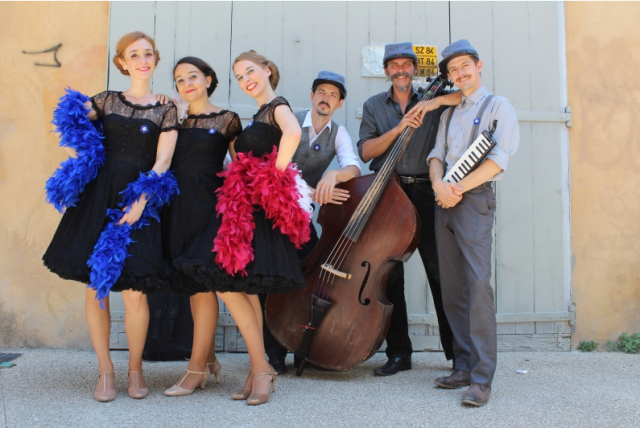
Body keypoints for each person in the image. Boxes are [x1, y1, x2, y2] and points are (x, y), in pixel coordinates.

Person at [42, 31, 179, 402]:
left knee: (135, 294)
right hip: (98, 198)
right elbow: (71, 118)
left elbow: (163, 160)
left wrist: (142, 199)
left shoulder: (167, 108)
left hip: (139, 201)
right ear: (122, 62)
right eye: (133, 54)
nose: (142, 59)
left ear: (155, 59)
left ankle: (135, 371)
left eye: (148, 53)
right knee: (96, 288)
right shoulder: (105, 101)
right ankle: (105, 371)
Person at [357, 42, 462, 376]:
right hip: (389, 191)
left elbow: (466, 96)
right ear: (386, 71)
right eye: (394, 65)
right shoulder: (374, 105)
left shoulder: (432, 97)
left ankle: (459, 355)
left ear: (415, 69)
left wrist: (434, 103)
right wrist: (401, 126)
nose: (400, 70)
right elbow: (366, 151)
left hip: (427, 192)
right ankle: (399, 354)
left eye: (406, 64)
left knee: (440, 271)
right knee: (389, 275)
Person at [210, 50, 307, 405]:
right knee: (246, 287)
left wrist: (275, 175)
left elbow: (293, 133)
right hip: (250, 212)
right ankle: (258, 368)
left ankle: (261, 370)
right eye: (238, 76)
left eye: (250, 71)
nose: (245, 79)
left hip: (264, 211)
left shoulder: (276, 105)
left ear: (268, 71)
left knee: (242, 285)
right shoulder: (258, 113)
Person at [428, 39, 520, 407]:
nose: (460, 73)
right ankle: (462, 365)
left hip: (474, 200)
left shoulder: (499, 106)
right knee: (452, 287)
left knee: (478, 285)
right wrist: (438, 184)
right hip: (443, 200)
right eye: (453, 70)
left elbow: (499, 159)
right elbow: (437, 155)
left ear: (478, 66)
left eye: (465, 66)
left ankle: (482, 378)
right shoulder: (448, 113)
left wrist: (456, 188)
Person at [261, 70, 362, 374]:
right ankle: (274, 354)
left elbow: (354, 166)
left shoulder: (339, 133)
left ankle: (304, 347)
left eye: (333, 94)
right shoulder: (290, 119)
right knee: (270, 280)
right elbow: (271, 165)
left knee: (313, 277)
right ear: (311, 96)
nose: (325, 98)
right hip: (271, 211)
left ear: (339, 103)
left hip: (302, 218)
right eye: (321, 91)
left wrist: (335, 175)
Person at [159, 57, 242, 396]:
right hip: (177, 209)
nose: (186, 83)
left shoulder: (226, 119)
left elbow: (241, 168)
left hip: (209, 210)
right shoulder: (173, 117)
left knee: (204, 287)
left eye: (193, 76)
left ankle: (194, 372)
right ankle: (208, 361)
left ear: (208, 79)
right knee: (193, 289)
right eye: (179, 80)